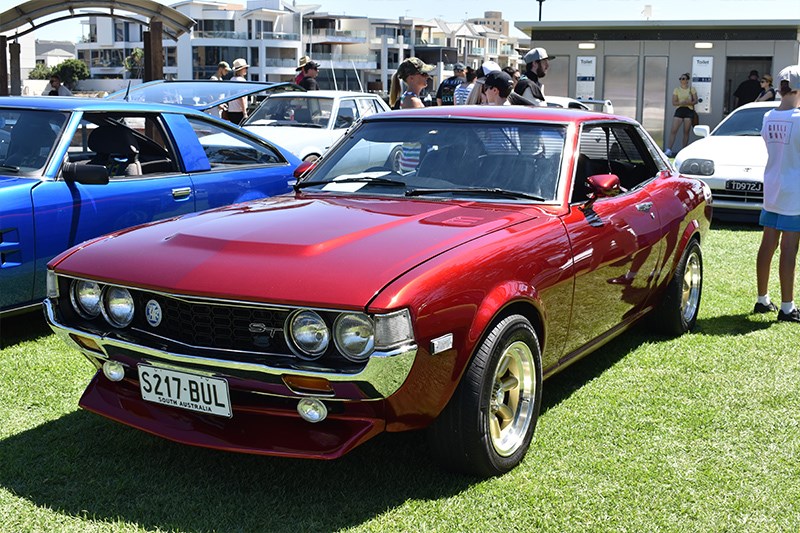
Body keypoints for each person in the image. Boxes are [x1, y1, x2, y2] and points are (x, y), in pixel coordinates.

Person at [754, 65, 800, 322]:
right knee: (789, 249)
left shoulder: (768, 117)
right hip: (794, 190)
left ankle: (762, 300)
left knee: (768, 244)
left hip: (772, 187)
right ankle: (787, 307)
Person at [664, 73, 698, 157]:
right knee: (673, 130)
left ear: (687, 80)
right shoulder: (677, 89)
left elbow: (696, 101)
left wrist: (688, 102)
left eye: (683, 78)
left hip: (689, 110)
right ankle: (669, 149)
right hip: (679, 110)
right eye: (680, 78)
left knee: (686, 131)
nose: (682, 80)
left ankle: (683, 151)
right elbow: (674, 102)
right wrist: (681, 102)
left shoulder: (691, 89)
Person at [226, 58, 249, 124]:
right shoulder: (242, 81)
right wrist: (244, 113)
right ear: (241, 69)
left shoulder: (232, 79)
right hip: (239, 111)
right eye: (245, 68)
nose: (246, 70)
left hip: (231, 111)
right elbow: (241, 97)